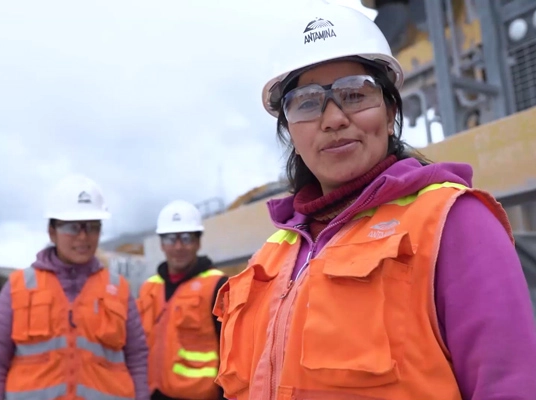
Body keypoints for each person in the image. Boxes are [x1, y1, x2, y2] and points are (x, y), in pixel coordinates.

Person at [212, 3, 536, 400]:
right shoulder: (272, 255)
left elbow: (509, 386)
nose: (332, 119)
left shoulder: (453, 224)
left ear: (390, 110)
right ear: (289, 131)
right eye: (307, 102)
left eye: (354, 93)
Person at [0, 174, 150, 400]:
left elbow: (136, 358)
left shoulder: (119, 289)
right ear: (52, 231)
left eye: (92, 227)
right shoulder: (18, 286)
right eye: (72, 227)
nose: (83, 236)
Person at [137, 200, 228, 400]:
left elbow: (233, 352)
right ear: (161, 243)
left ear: (198, 242)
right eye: (170, 239)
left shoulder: (218, 286)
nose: (178, 247)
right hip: (153, 394)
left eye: (186, 238)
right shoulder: (148, 288)